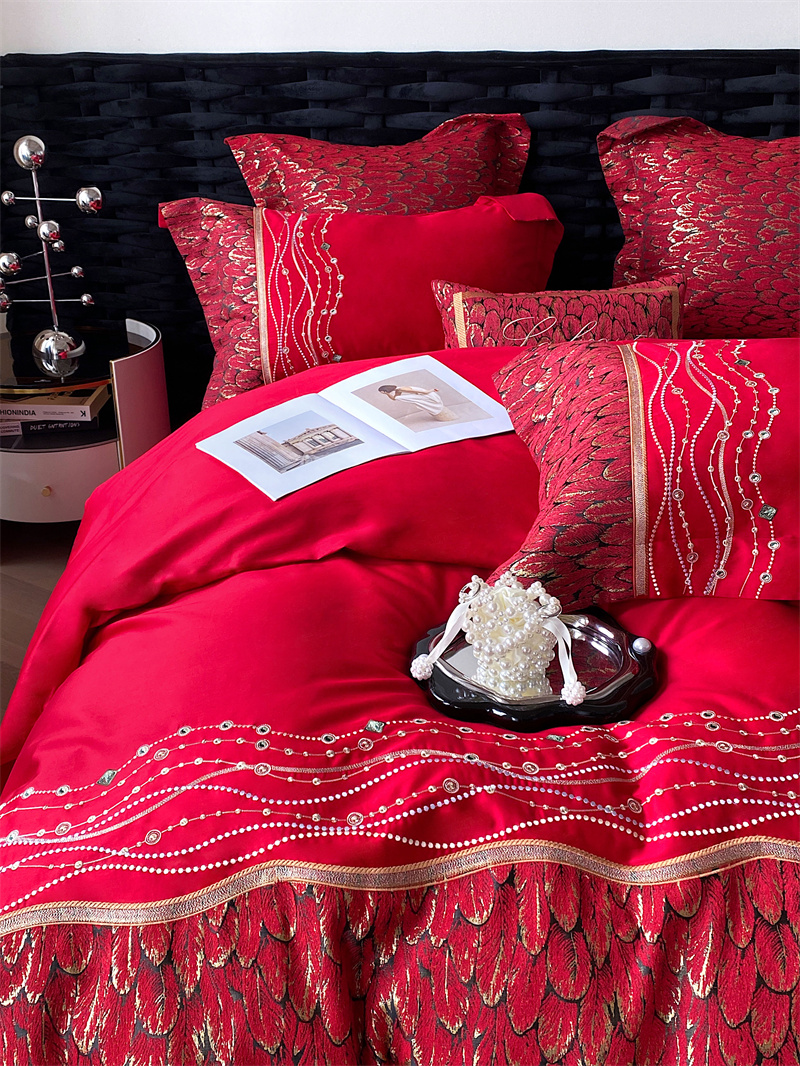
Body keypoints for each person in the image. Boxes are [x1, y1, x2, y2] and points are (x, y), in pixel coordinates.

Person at [377, 383, 458, 421]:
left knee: (435, 407)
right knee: (399, 397)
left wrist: (429, 391)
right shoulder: (398, 390)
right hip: (420, 396)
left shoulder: (402, 388)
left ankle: (446, 417)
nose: (382, 393)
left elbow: (418, 391)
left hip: (425, 396)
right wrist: (387, 394)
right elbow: (395, 398)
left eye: (382, 392)